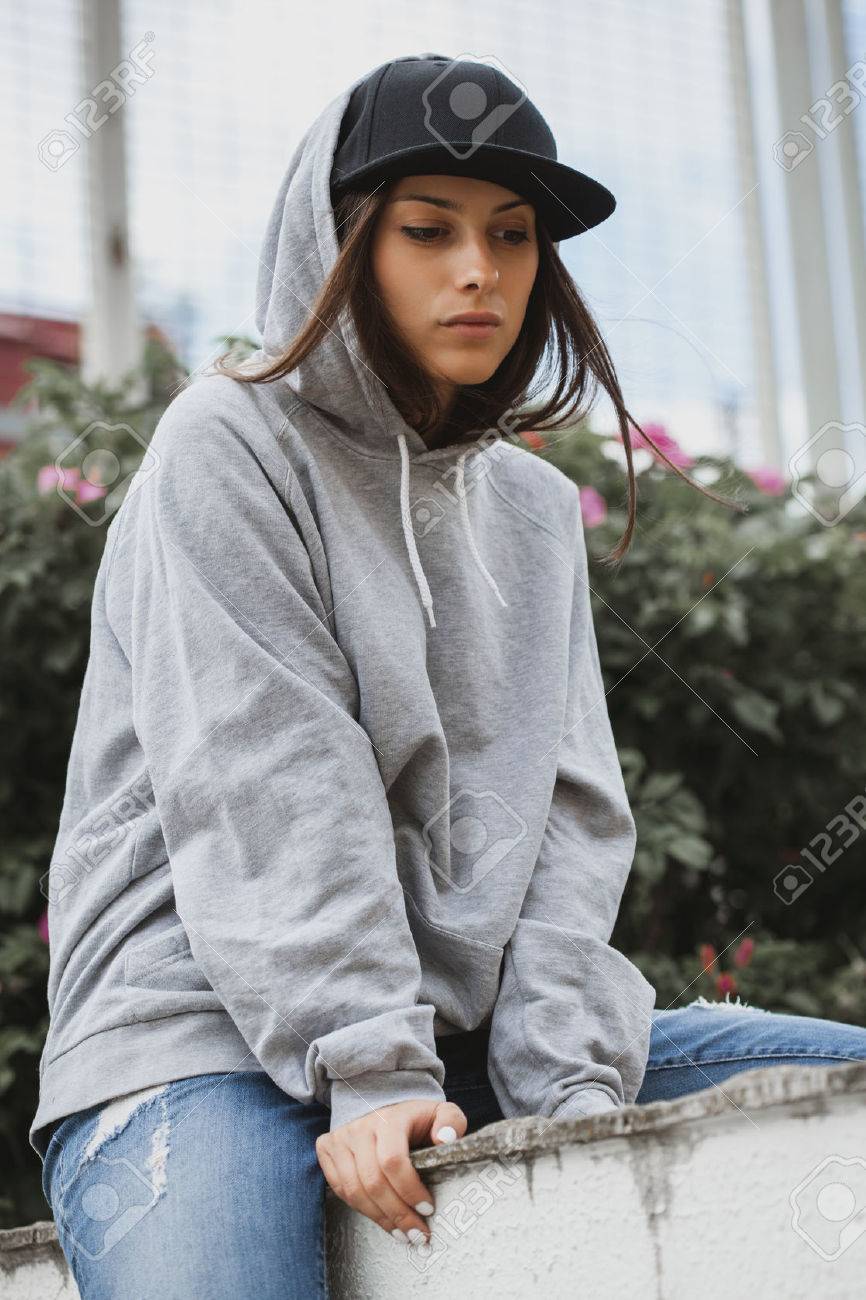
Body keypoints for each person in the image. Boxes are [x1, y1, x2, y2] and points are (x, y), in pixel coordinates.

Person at [33, 54, 866, 1299]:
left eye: (511, 235)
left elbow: (567, 823)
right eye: (426, 230)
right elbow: (269, 779)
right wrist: (368, 1066)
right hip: (190, 1039)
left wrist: (571, 1092)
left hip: (454, 1047)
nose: (478, 271)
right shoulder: (230, 444)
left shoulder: (530, 509)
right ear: (341, 243)